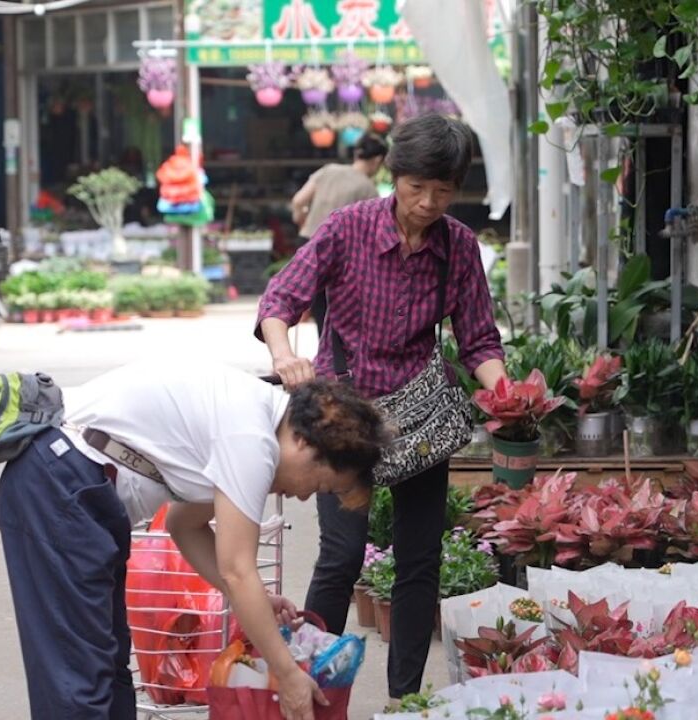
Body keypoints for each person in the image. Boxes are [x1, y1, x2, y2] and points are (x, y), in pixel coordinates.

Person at [255, 114, 508, 705]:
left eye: (442, 192)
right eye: (416, 187)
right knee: (340, 557)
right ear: (394, 176)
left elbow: (479, 341)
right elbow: (281, 299)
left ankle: (407, 700)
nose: (426, 203)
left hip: (421, 423)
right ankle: (312, 689)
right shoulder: (347, 229)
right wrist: (286, 353)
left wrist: (504, 392)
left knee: (421, 562)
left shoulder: (459, 247)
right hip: (344, 420)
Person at [0, 358, 389, 720]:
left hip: (75, 491)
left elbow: (186, 525)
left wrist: (257, 602)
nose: (303, 494)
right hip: (59, 487)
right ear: (306, 442)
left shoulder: (255, 418)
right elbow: (238, 571)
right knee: (77, 673)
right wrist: (287, 674)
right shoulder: (252, 440)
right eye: (319, 483)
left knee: (107, 663)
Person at [289, 133, 388, 334]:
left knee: (316, 304)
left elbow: (299, 201)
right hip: (340, 251)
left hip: (308, 240)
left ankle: (324, 354)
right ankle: (331, 356)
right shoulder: (368, 188)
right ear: (378, 160)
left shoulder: (328, 170)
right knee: (335, 306)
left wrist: (303, 222)